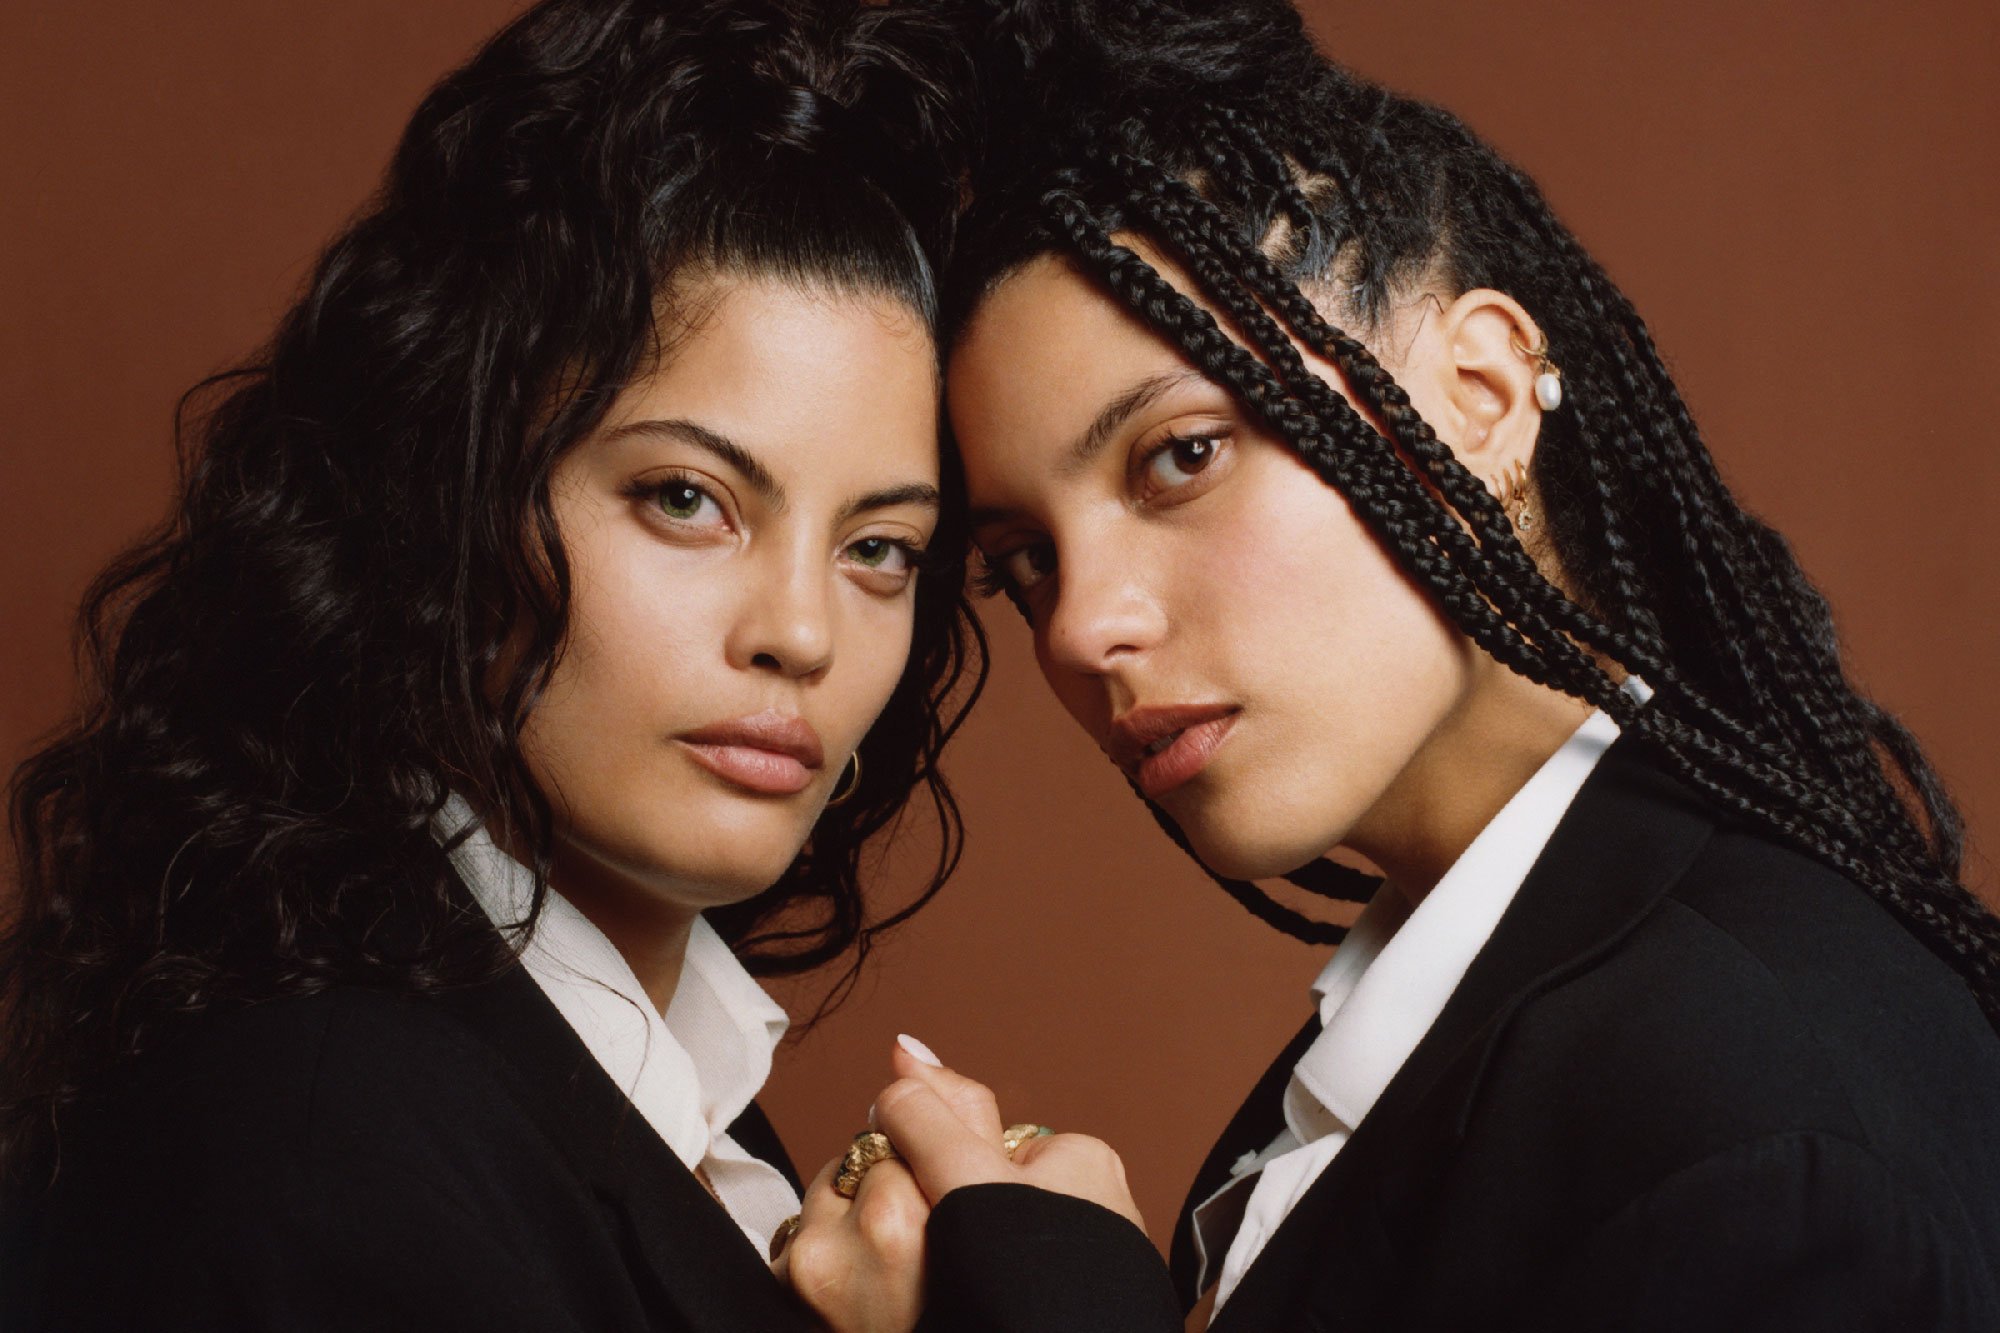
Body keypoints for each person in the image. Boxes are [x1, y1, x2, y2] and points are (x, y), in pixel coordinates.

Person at [775, 1, 2000, 1328]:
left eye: (1180, 455)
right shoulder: (1480, 1011)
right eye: (1024, 562)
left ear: (1476, 391)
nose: (1078, 629)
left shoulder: (1750, 1137)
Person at [0, 1, 981, 1328]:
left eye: (879, 545)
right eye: (687, 498)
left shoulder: (643, 1081)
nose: (800, 631)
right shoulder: (330, 1138)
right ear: (448, 492)